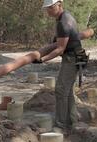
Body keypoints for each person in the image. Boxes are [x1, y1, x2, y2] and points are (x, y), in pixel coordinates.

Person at [35, 0, 83, 131]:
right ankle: (72, 121)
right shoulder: (65, 17)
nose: (48, 11)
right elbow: (59, 42)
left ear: (59, 5)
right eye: (47, 8)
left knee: (61, 91)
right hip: (75, 56)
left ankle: (61, 125)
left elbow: (60, 49)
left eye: (51, 8)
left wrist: (42, 59)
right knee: (67, 91)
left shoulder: (63, 22)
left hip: (72, 58)